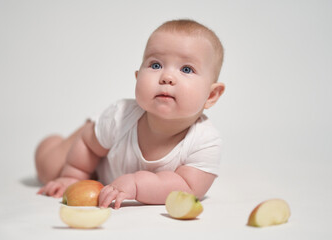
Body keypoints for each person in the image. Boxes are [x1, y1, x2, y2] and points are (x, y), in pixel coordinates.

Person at [35, 19, 225, 209]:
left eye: (186, 69)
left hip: (109, 174)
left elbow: (188, 187)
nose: (167, 77)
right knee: (50, 169)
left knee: (94, 182)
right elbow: (88, 144)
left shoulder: (205, 141)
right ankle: (52, 143)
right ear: (137, 77)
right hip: (96, 143)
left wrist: (136, 184)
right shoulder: (120, 116)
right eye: (156, 65)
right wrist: (73, 176)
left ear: (211, 95)